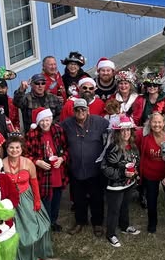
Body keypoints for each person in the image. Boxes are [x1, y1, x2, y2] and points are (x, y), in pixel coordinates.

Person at [0, 134, 53, 260]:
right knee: (16, 233)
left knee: (39, 227)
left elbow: (34, 182)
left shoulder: (28, 163)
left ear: (21, 149)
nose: (14, 150)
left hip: (27, 198)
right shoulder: (1, 164)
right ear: (7, 148)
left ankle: (36, 255)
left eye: (17, 147)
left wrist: (37, 199)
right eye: (11, 147)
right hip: (10, 201)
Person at [60, 98, 110, 236]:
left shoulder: (99, 122)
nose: (80, 112)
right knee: (78, 198)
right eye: (77, 109)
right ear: (73, 111)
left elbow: (114, 127)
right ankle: (80, 221)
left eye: (83, 109)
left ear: (88, 110)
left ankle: (97, 223)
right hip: (76, 169)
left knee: (97, 198)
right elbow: (55, 132)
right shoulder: (66, 124)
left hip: (95, 169)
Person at [100, 115, 141, 248]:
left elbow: (136, 162)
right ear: (118, 132)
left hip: (128, 184)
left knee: (125, 207)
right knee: (114, 210)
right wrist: (122, 173)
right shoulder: (113, 148)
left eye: (128, 130)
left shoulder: (133, 146)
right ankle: (111, 234)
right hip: (115, 186)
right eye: (123, 131)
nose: (126, 133)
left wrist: (134, 173)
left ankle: (124, 226)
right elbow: (105, 168)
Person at [25, 108, 68, 231]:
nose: (45, 123)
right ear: (38, 122)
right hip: (42, 175)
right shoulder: (32, 134)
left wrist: (61, 159)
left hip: (57, 172)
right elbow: (25, 154)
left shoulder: (58, 130)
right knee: (45, 201)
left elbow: (66, 149)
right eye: (42, 121)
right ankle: (44, 224)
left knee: (56, 199)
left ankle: (53, 221)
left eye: (47, 120)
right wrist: (37, 162)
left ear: (51, 119)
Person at [136, 111, 165, 233]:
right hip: (150, 173)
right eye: (154, 122)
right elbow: (131, 138)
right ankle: (152, 222)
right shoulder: (143, 134)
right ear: (150, 123)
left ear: (164, 122)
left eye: (159, 122)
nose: (157, 125)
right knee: (151, 199)